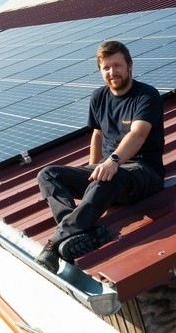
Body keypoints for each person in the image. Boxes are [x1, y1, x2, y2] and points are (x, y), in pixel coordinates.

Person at [35, 40, 165, 274]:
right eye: (106, 68)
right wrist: (93, 169)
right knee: (48, 174)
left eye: (117, 65)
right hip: (109, 171)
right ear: (100, 71)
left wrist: (113, 161)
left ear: (130, 66)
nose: (112, 72)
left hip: (143, 172)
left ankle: (54, 245)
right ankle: (80, 233)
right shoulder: (99, 97)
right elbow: (97, 135)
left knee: (107, 177)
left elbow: (138, 134)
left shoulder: (146, 95)